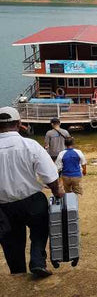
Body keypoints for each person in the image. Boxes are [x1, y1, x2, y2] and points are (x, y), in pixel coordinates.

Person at [0, 107, 63, 277]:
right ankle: (37, 261)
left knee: (11, 240)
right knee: (39, 230)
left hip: (3, 206)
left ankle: (18, 271)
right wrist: (57, 192)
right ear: (19, 124)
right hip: (31, 200)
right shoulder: (30, 145)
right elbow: (50, 176)